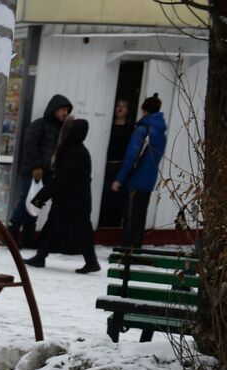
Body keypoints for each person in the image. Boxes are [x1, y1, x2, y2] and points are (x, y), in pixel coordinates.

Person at [25, 116, 100, 273]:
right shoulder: (75, 151)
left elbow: (61, 179)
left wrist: (41, 197)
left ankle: (91, 261)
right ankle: (41, 256)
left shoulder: (76, 153)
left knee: (79, 230)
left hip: (74, 201)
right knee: (54, 225)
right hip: (72, 200)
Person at [9, 93, 73, 248]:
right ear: (54, 109)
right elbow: (30, 145)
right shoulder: (40, 125)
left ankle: (28, 239)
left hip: (49, 174)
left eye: (67, 110)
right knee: (27, 201)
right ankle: (11, 234)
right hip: (34, 172)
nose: (65, 113)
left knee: (36, 204)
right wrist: (36, 167)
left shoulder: (63, 129)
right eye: (62, 109)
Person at [112, 94, 167, 252]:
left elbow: (132, 157)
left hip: (135, 179)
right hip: (149, 179)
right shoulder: (161, 131)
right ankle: (136, 247)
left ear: (144, 111)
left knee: (130, 216)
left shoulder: (143, 129)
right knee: (140, 215)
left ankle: (127, 250)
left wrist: (119, 179)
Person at [98, 98, 135, 229]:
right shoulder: (107, 125)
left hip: (120, 166)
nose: (120, 108)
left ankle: (112, 224)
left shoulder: (131, 129)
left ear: (128, 110)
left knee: (117, 197)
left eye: (124, 106)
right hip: (106, 165)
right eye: (118, 105)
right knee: (103, 196)